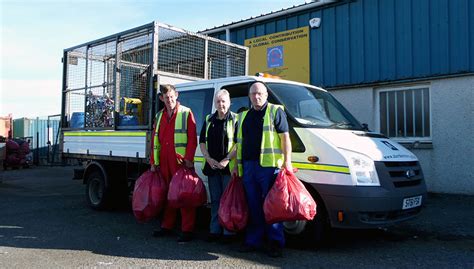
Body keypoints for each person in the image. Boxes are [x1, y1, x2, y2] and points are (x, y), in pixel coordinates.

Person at [233, 81, 292, 258]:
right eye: (253, 94)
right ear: (249, 96)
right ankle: (254, 241)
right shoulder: (243, 116)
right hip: (249, 167)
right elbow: (239, 143)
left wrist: (287, 161)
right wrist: (236, 165)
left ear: (266, 95)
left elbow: (285, 138)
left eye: (260, 93)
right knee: (253, 205)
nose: (256, 97)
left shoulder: (275, 111)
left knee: (272, 206)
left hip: (269, 167)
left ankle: (275, 243)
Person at [150, 84, 198, 242]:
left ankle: (187, 230)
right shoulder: (159, 116)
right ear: (161, 98)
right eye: (166, 98)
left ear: (176, 95)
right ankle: (167, 226)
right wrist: (153, 161)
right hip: (163, 162)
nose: (170, 100)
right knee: (167, 195)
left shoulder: (186, 113)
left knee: (184, 195)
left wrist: (189, 159)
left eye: (172, 97)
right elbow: (154, 141)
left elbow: (192, 139)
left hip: (180, 163)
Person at [199, 89, 237, 243]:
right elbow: (202, 142)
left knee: (228, 200)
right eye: (218, 101)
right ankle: (214, 230)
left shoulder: (235, 119)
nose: (221, 104)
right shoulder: (209, 119)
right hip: (213, 167)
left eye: (223, 101)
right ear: (215, 103)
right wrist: (208, 158)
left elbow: (239, 143)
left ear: (229, 103)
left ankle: (228, 231)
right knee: (215, 200)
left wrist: (227, 159)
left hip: (228, 168)